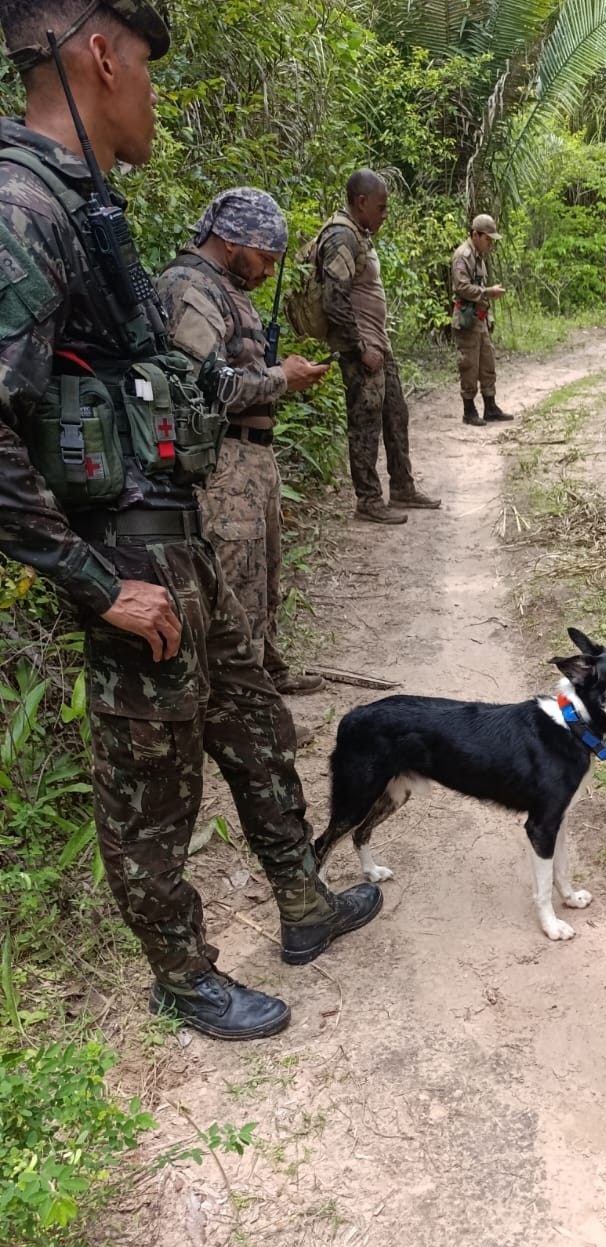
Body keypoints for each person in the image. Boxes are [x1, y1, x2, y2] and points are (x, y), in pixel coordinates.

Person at [0, 0, 382, 1040]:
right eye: (148, 65)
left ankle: (302, 899)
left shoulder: (83, 204)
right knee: (150, 790)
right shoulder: (22, 205)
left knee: (253, 726)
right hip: (128, 556)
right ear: (101, 56)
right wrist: (93, 581)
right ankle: (183, 975)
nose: (154, 93)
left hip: (178, 536)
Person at [156, 187, 328, 697]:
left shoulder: (224, 289)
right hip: (222, 462)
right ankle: (243, 704)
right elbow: (205, 386)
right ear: (232, 242)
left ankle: (267, 675)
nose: (268, 273)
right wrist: (281, 377)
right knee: (236, 585)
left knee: (264, 574)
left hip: (251, 456)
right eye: (265, 259)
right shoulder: (188, 287)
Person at [315, 169, 441, 523]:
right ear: (362, 202)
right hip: (362, 350)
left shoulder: (359, 235)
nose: (385, 215)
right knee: (366, 424)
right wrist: (359, 347)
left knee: (395, 414)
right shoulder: (341, 237)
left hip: (378, 345)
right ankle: (368, 500)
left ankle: (402, 486)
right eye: (382, 208)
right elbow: (334, 301)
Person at [450, 213, 513, 425]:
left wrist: (489, 314)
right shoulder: (463, 255)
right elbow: (462, 287)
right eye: (488, 239)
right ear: (475, 235)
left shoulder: (479, 257)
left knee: (487, 364)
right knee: (469, 365)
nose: (490, 244)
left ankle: (490, 407)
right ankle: (469, 411)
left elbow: (481, 286)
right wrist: (487, 292)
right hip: (467, 320)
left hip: (480, 318)